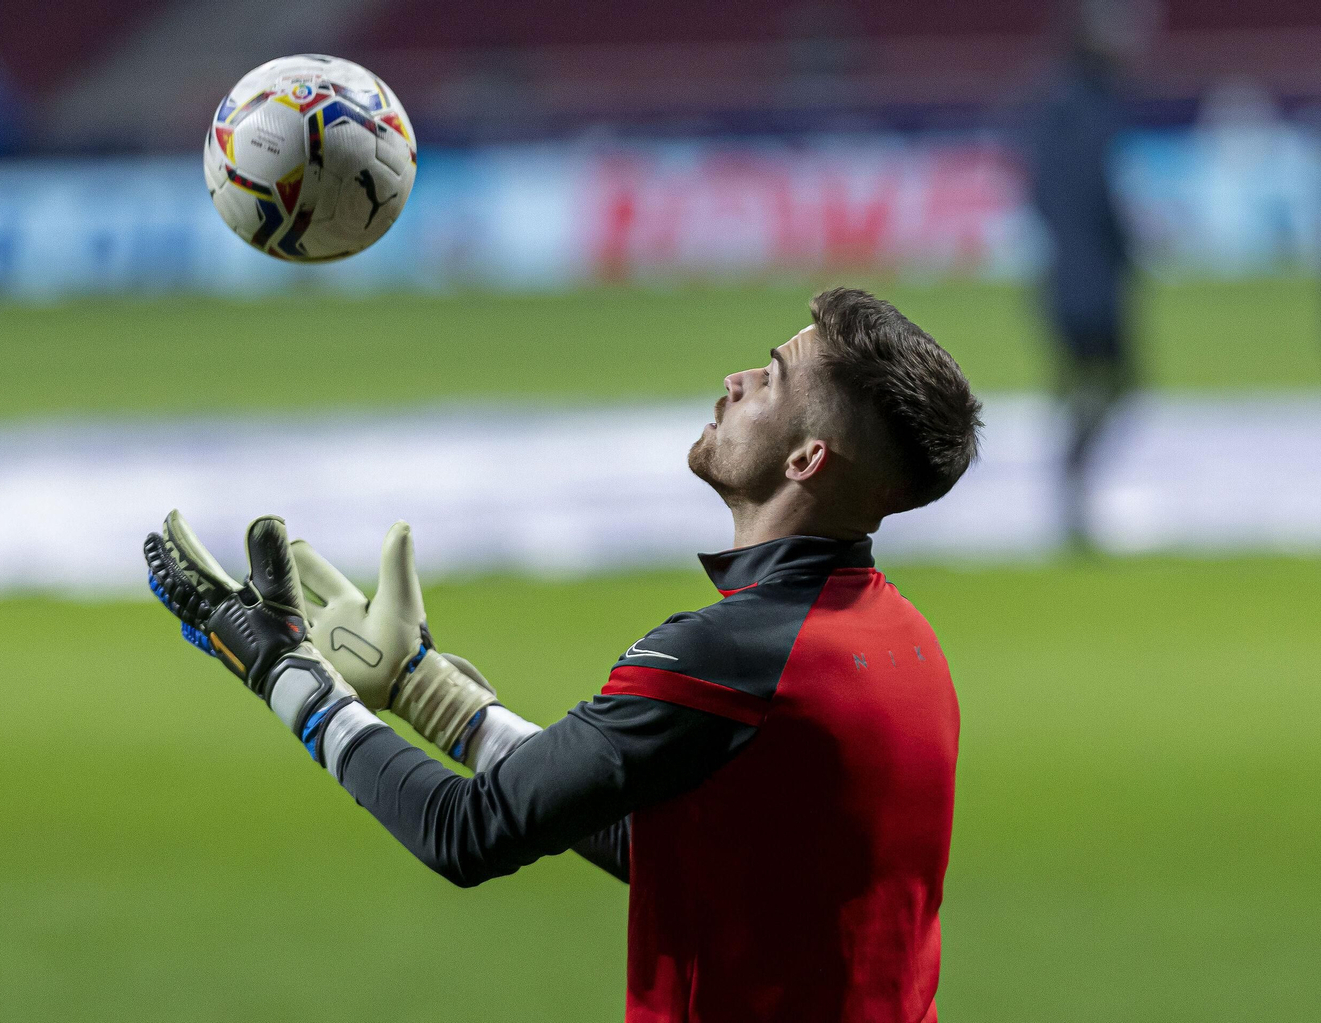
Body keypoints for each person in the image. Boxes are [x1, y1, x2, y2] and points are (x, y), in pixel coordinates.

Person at [145, 287, 983, 1023]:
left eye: (772, 374)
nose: (737, 381)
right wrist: (428, 691)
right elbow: (689, 860)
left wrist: (286, 674)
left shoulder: (731, 655)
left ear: (806, 459)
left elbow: (466, 831)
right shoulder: (906, 642)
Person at [1025, 4, 1146, 549]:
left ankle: (1071, 494)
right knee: (1114, 381)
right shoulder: (1092, 109)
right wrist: (1127, 246)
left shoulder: (1054, 106)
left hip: (1061, 270)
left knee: (1085, 385)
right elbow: (1098, 193)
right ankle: (1072, 488)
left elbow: (1042, 193)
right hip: (1090, 274)